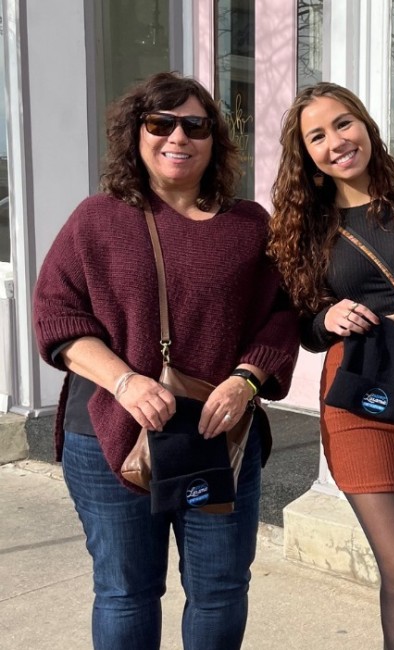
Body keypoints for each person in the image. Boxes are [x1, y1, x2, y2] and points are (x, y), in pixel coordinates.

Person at [32, 72, 300, 649]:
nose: (177, 137)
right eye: (160, 123)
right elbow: (57, 318)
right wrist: (125, 381)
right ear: (137, 134)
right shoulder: (96, 219)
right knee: (126, 591)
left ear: (214, 139)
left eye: (195, 125)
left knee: (221, 588)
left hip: (217, 429)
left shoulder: (248, 225)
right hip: (108, 429)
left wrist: (245, 381)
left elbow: (280, 317)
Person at [268, 83, 394, 650]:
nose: (336, 141)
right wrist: (327, 318)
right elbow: (302, 325)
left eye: (343, 123)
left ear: (365, 124)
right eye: (318, 136)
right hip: (360, 398)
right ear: (306, 154)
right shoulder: (306, 224)